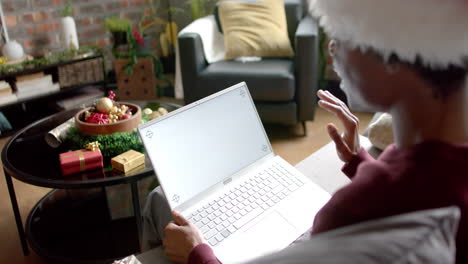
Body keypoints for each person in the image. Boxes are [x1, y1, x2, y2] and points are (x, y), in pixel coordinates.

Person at [142, 0, 468, 263]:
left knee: (160, 200)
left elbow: (390, 200)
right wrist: (361, 163)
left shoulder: (353, 210)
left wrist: (199, 254)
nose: (333, 48)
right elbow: (407, 188)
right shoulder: (434, 163)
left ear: (396, 54)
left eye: (342, 34)